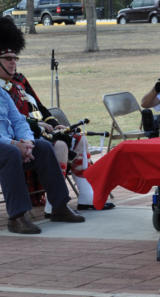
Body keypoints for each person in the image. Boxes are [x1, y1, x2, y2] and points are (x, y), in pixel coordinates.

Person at [0, 16, 114, 213]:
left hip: (31, 133)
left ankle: (87, 196)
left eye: (15, 58)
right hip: (17, 138)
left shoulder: (20, 80)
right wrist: (37, 128)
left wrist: (52, 122)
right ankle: (53, 204)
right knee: (59, 145)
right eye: (8, 59)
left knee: (79, 140)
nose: (13, 63)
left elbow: (40, 107)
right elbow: (12, 121)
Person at [0, 86, 85, 233]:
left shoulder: (2, 93)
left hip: (12, 144)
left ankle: (59, 207)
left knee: (43, 147)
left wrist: (28, 143)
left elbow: (19, 121)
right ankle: (17, 216)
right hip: (7, 146)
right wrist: (14, 144)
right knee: (11, 153)